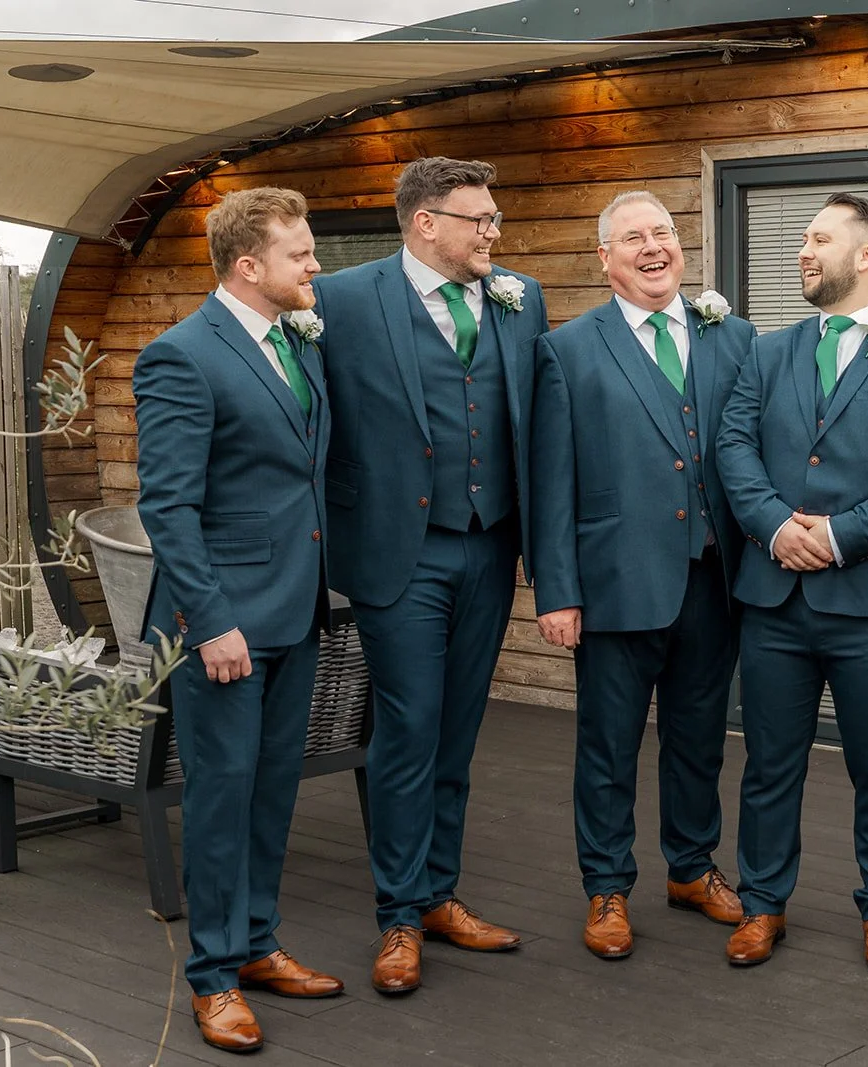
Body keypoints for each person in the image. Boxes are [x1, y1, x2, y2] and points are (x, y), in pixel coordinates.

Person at [313, 157, 548, 994]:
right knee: (409, 731)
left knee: (457, 729)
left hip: (489, 547)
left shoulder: (521, 298)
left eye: (495, 218)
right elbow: (310, 418)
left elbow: (536, 428)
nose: (494, 232)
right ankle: (400, 915)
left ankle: (441, 893)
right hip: (397, 553)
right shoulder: (342, 299)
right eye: (478, 219)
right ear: (425, 223)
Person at [716, 192, 868, 975]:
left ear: (867, 255)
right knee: (769, 764)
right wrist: (778, 526)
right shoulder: (766, 350)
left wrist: (841, 536)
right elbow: (734, 447)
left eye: (819, 239)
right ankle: (762, 904)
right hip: (775, 596)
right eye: (802, 239)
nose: (802, 252)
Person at [134, 186, 341, 1053]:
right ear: (249, 266)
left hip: (297, 607)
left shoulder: (297, 343)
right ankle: (213, 976)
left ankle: (257, 943)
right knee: (220, 798)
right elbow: (168, 507)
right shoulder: (181, 355)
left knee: (272, 791)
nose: (316, 266)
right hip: (224, 623)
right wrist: (210, 620)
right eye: (301, 254)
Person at [530, 190, 755, 959]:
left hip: (714, 580)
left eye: (663, 232)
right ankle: (607, 887)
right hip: (616, 584)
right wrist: (556, 590)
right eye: (634, 237)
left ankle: (692, 868)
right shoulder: (567, 350)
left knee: (699, 741)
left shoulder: (734, 336)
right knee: (609, 746)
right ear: (606, 258)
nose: (654, 247)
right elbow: (550, 482)